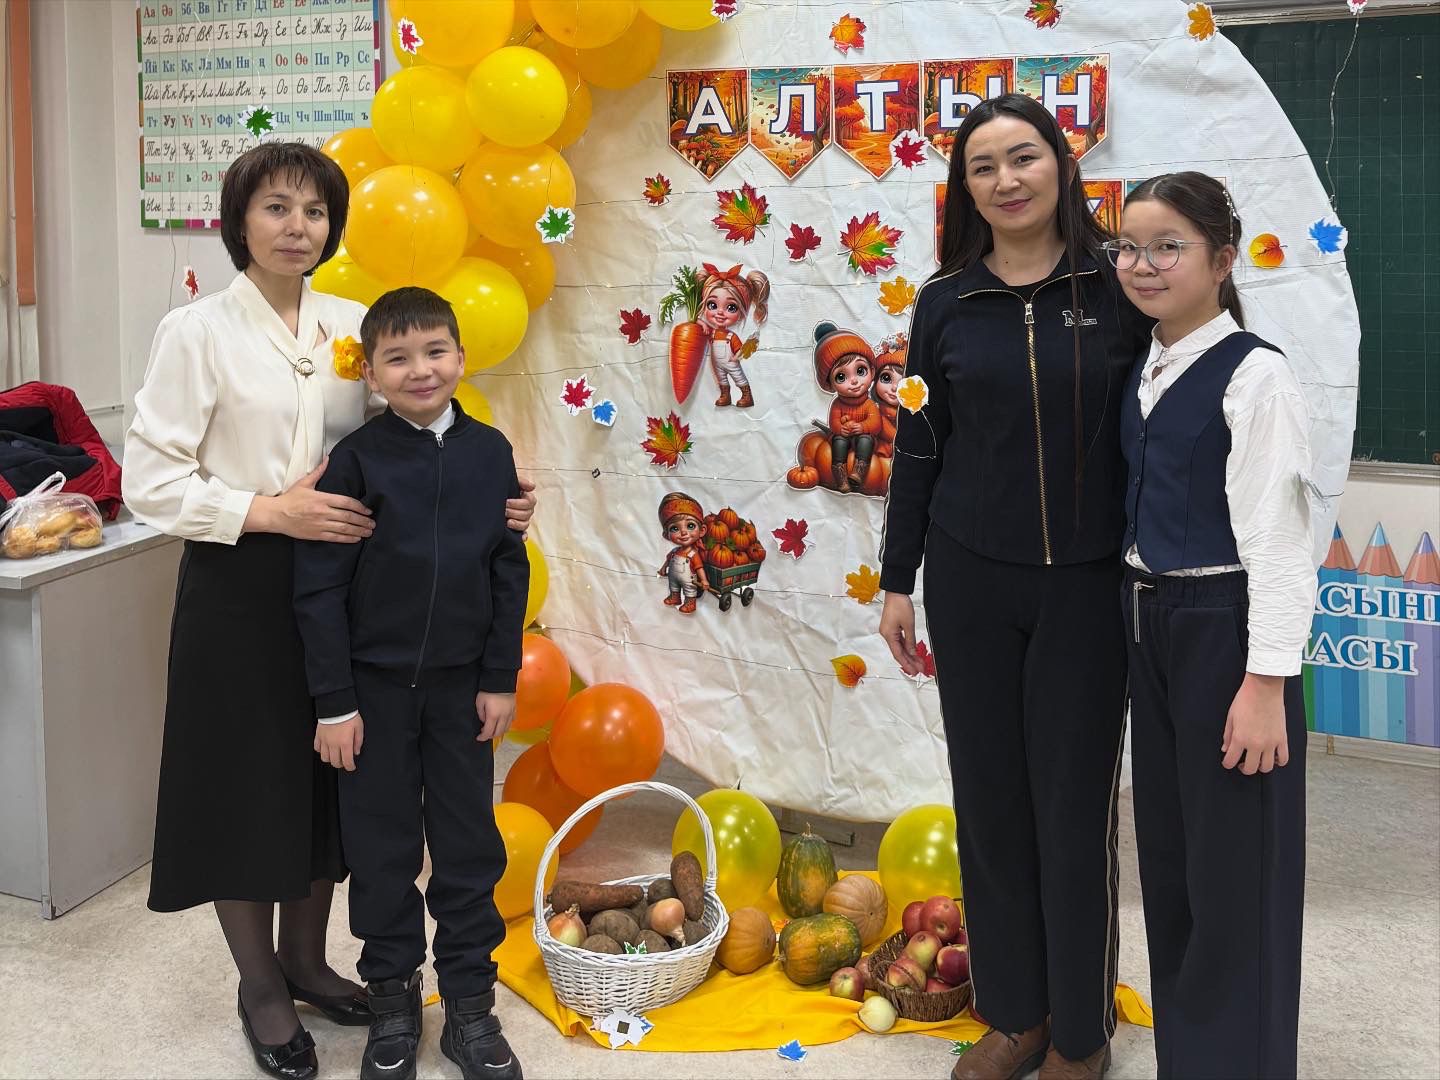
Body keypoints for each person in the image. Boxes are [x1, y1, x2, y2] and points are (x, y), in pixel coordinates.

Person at [123, 143, 536, 1080]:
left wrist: (499, 497)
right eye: (275, 207)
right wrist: (273, 511)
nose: (296, 227)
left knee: (329, 791)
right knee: (246, 788)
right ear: (239, 220)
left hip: (355, 593)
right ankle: (262, 984)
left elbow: (415, 438)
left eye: (314, 211)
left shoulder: (353, 328)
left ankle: (310, 961)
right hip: (241, 583)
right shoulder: (197, 331)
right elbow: (149, 480)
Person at [878, 94, 1150, 1080]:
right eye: (983, 165)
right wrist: (898, 579)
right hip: (970, 581)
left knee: (1072, 812)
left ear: (1062, 164)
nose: (1006, 180)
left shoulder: (1119, 285)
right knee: (991, 806)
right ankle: (1015, 1014)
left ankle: (1079, 1030)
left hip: (1087, 587)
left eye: (1024, 157)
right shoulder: (944, 303)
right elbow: (919, 444)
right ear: (965, 188)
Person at [292, 286, 528, 1080]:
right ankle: (392, 1002)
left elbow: (507, 570)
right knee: (382, 851)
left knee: (468, 849)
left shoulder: (491, 453)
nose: (420, 369)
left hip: (464, 694)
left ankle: (469, 1009)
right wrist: (335, 702)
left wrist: (499, 677)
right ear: (371, 375)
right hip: (374, 696)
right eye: (397, 357)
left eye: (434, 351)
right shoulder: (356, 460)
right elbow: (319, 588)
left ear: (461, 357)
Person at [1109, 172, 1312, 1079]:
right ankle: (1192, 1060)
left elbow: (1281, 541)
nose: (1142, 265)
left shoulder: (1257, 375)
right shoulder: (1147, 361)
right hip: (1148, 621)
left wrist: (1265, 683)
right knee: (1174, 858)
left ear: (1223, 260)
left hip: (1223, 632)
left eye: (1168, 247)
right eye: (1129, 247)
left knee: (1238, 869)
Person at [813, 322, 882, 493]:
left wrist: (862, 427)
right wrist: (840, 429)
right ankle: (840, 475)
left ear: (872, 371)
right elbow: (834, 422)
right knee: (838, 442)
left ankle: (859, 471)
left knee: (866, 440)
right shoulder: (837, 404)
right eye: (841, 376)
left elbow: (875, 423)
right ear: (830, 385)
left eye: (860, 371)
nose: (854, 381)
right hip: (844, 437)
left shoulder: (869, 404)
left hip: (861, 437)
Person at [697, 262, 769, 407]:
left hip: (731, 361)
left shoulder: (731, 336)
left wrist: (737, 356)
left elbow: (741, 350)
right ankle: (725, 395)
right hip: (717, 363)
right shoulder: (712, 332)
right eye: (712, 305)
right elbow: (699, 325)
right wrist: (702, 323)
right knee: (721, 379)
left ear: (742, 312)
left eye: (731, 307)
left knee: (739, 377)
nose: (720, 312)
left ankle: (747, 396)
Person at [657, 491, 710, 613]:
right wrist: (663, 569)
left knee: (689, 589)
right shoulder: (674, 551)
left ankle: (690, 602)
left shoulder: (693, 554)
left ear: (702, 530)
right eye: (675, 528)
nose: (684, 532)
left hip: (688, 579)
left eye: (690, 526)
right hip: (674, 577)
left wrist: (704, 580)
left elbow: (699, 568)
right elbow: (668, 561)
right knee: (673, 585)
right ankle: (675, 597)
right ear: (666, 535)